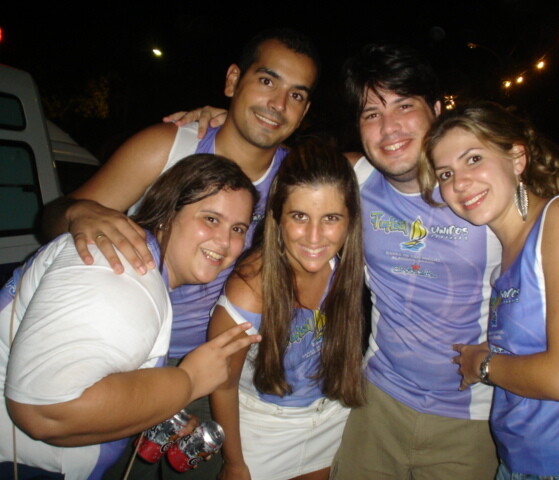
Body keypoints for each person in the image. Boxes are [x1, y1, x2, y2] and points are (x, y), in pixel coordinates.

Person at [164, 43, 559, 480]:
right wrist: (221, 121)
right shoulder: (355, 178)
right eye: (372, 113)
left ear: (437, 111)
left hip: (474, 418)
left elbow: (552, 234)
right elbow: (286, 175)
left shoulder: (483, 199)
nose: (388, 128)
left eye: (405, 106)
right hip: (377, 402)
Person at [42, 28, 319, 480]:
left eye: (296, 95)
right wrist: (79, 212)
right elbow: (50, 220)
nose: (277, 103)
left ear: (304, 111)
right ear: (233, 81)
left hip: (215, 370)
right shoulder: (170, 147)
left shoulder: (295, 181)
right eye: (267, 81)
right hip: (125, 359)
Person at [0, 154, 262, 480]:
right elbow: (45, 413)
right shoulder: (122, 274)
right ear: (167, 213)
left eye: (237, 228)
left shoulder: (141, 271)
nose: (225, 242)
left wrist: (156, 408)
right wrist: (189, 381)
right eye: (210, 219)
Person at [425, 101, 559, 479]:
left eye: (473, 159)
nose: (458, 183)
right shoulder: (504, 257)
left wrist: (482, 365)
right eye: (445, 174)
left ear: (517, 158)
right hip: (523, 459)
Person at [208, 138, 365, 480]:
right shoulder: (251, 289)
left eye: (331, 218)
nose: (314, 237)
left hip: (331, 415)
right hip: (263, 428)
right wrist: (234, 462)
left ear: (350, 219)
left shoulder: (344, 268)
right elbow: (221, 384)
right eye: (299, 216)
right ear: (278, 216)